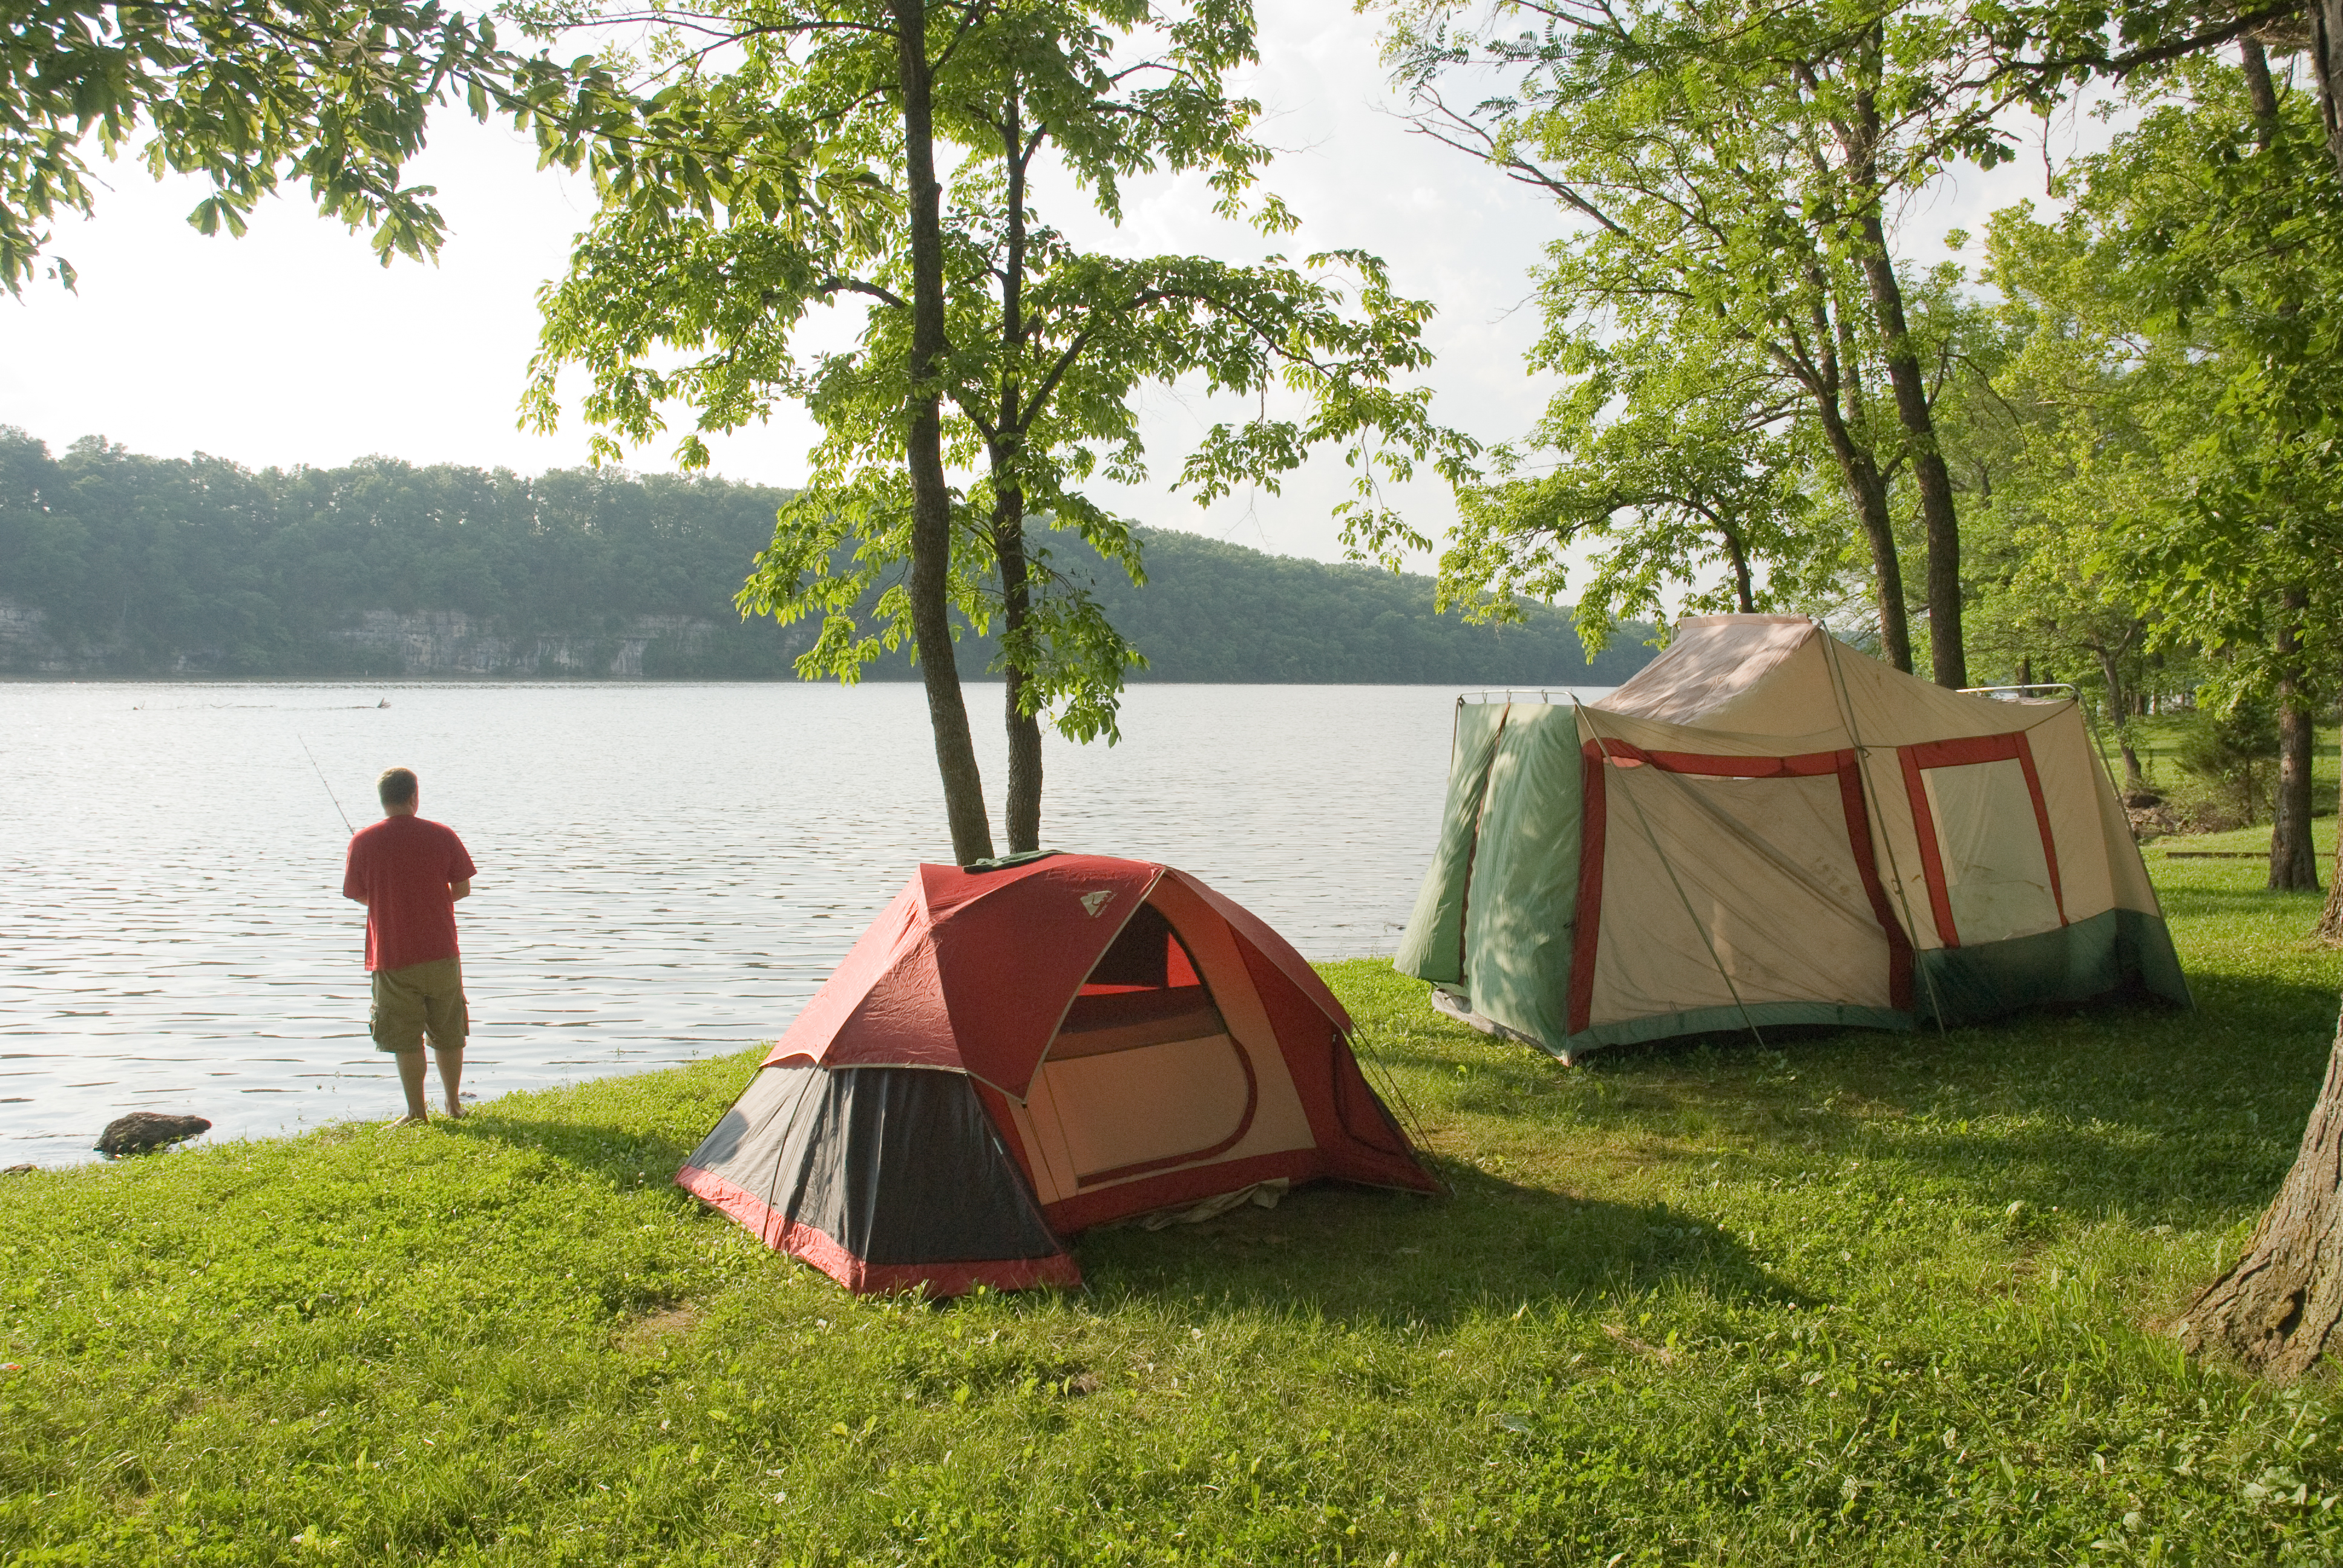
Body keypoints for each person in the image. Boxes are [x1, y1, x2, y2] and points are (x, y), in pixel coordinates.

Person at [341, 767, 477, 1124]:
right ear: (415, 796)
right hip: (441, 952)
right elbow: (462, 889)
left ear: (383, 799)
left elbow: (357, 895)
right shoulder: (442, 835)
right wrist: (430, 899)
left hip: (391, 955)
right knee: (448, 1031)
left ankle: (417, 1113)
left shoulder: (362, 841)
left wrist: (389, 903)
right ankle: (453, 1104)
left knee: (404, 1037)